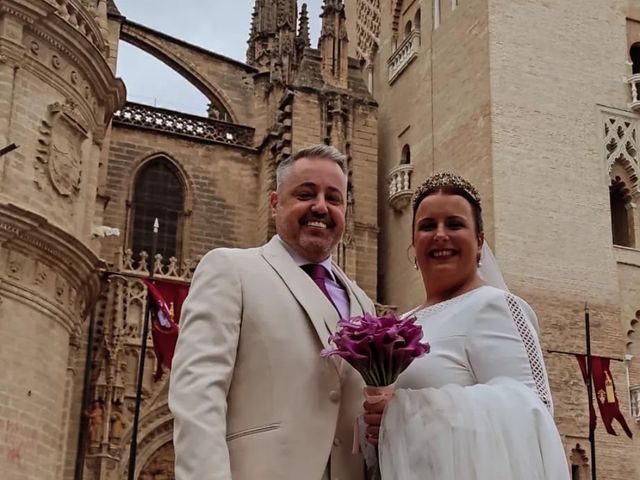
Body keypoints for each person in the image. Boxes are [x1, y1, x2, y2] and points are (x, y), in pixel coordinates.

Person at [169, 144, 375, 480]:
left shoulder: (363, 303)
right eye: (306, 194)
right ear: (275, 203)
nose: (321, 207)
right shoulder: (230, 269)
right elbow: (197, 396)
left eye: (333, 198)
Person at [363, 172, 569, 479]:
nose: (440, 235)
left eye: (455, 224)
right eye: (427, 226)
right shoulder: (401, 324)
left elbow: (530, 420)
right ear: (413, 243)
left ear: (479, 242)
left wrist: (404, 415)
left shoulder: (494, 306)